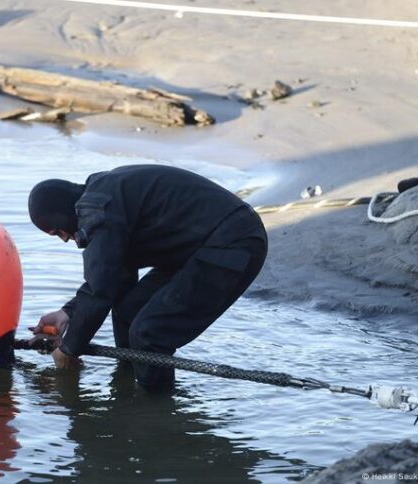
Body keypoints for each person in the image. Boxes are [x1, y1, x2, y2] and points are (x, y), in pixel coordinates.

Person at [28, 164, 268, 389]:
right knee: (128, 311)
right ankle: (128, 388)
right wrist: (67, 313)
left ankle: (154, 413)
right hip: (198, 247)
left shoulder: (97, 211)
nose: (65, 239)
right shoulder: (102, 198)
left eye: (58, 231)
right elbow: (112, 275)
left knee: (149, 334)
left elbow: (100, 288)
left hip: (234, 242)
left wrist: (68, 349)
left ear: (63, 214)